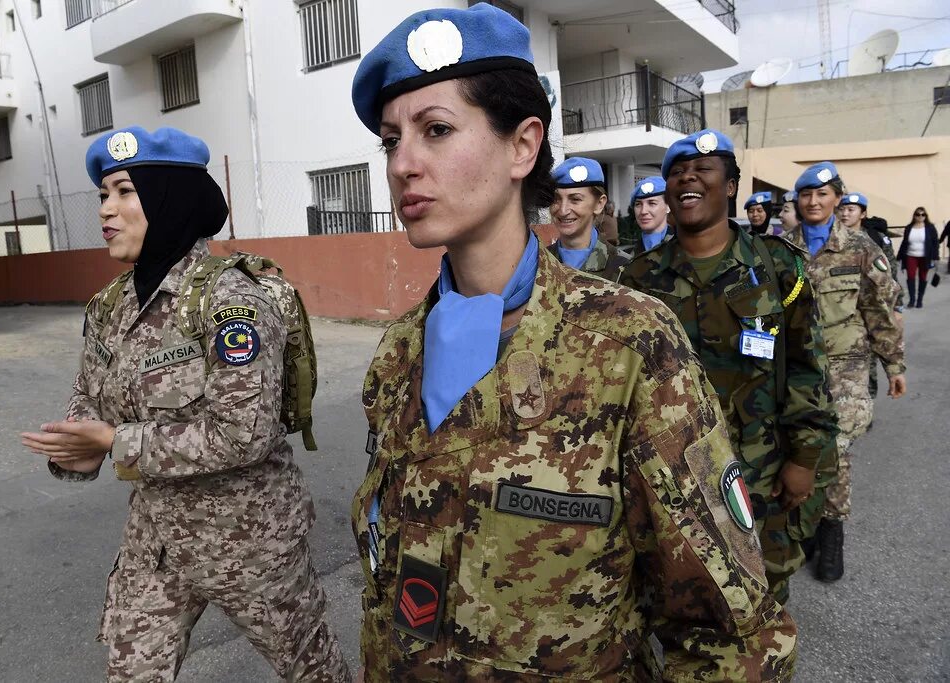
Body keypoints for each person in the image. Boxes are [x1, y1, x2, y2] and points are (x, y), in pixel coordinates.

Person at [349, 5, 796, 681]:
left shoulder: (628, 343)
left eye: (435, 130)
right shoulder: (396, 355)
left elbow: (728, 632)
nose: (403, 163)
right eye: (391, 140)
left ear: (522, 147)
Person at [20, 126, 350, 683]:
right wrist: (77, 450)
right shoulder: (109, 307)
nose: (107, 209)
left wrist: (114, 444)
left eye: (125, 192)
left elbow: (243, 434)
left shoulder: (230, 300)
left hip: (248, 541)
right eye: (104, 195)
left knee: (310, 669)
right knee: (130, 670)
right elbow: (90, 399)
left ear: (169, 198)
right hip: (158, 540)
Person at [619, 129, 839, 604]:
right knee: (683, 590)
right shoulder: (638, 278)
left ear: (732, 185)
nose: (687, 179)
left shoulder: (779, 268)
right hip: (672, 471)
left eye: (702, 170)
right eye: (676, 173)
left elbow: (806, 366)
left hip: (761, 466)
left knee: (762, 590)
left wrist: (804, 458)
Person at [786, 162, 906, 583]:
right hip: (798, 369)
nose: (813, 202)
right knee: (799, 446)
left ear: (837, 198)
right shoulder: (783, 248)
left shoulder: (861, 248)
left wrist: (893, 364)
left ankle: (832, 532)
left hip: (847, 368)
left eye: (822, 194)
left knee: (834, 450)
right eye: (806, 195)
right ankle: (807, 529)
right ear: (798, 201)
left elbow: (879, 311)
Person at [839, 193, 905, 403]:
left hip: (871, 305)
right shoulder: (833, 238)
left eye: (851, 209)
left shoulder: (875, 239)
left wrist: (897, 307)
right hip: (843, 308)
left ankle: (867, 398)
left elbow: (891, 274)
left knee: (868, 356)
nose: (845, 213)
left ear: (863, 213)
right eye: (843, 209)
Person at [548, 157, 628, 280]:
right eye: (556, 199)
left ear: (599, 204)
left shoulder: (624, 267)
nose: (563, 211)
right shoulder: (536, 263)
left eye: (575, 199)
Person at [896, 206, 940, 308]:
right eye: (918, 214)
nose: (920, 216)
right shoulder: (909, 227)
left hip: (925, 257)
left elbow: (935, 243)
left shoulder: (930, 227)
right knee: (910, 277)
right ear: (914, 216)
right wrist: (899, 257)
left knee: (922, 278)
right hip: (911, 256)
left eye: (923, 214)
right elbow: (904, 243)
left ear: (925, 216)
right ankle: (912, 300)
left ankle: (919, 300)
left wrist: (936, 257)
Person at [629, 175, 673, 257]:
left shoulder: (687, 248)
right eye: (638, 204)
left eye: (652, 203)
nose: (643, 211)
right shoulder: (626, 256)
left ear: (668, 206)